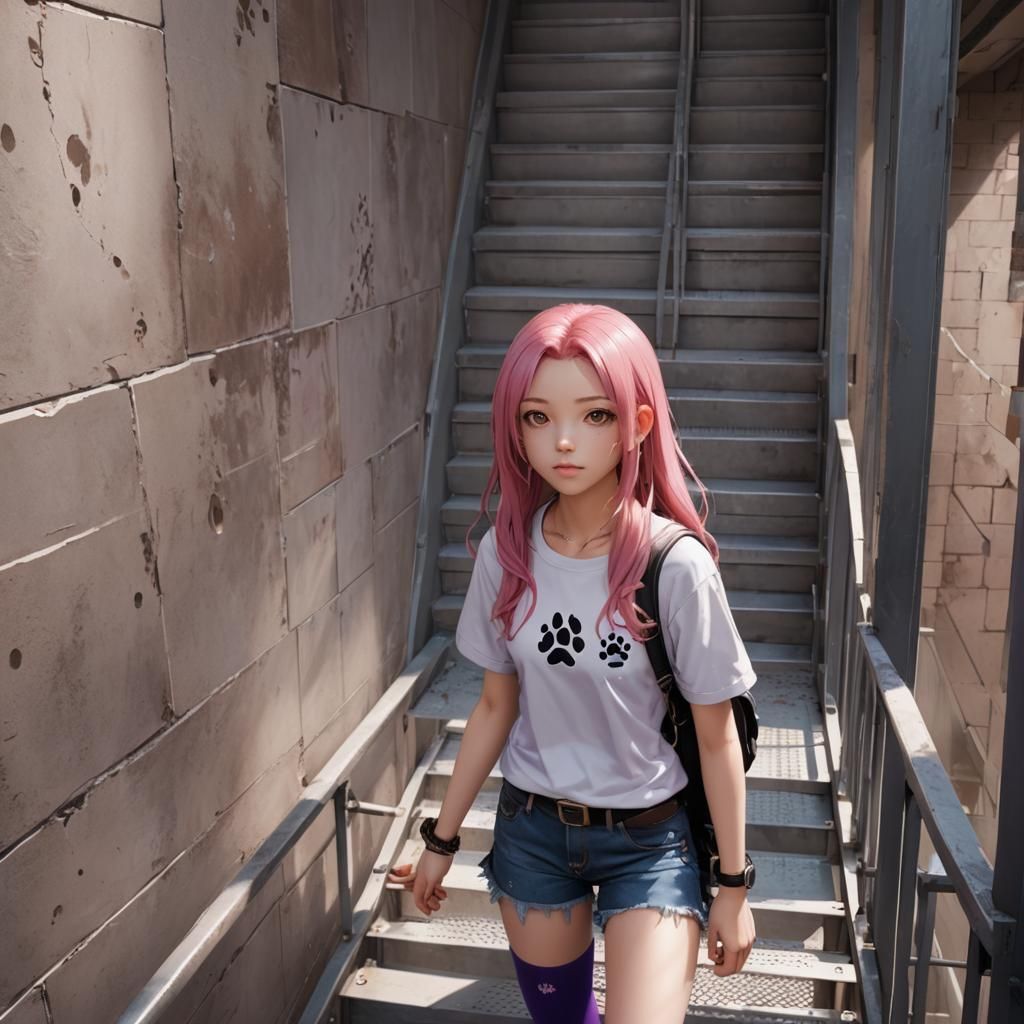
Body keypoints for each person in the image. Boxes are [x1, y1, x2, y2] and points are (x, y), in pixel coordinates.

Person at [387, 304, 757, 1023]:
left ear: (638, 424)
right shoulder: (508, 554)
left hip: (650, 840)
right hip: (534, 831)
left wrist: (735, 887)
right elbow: (496, 705)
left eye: (593, 416)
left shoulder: (676, 567)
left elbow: (716, 739)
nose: (561, 441)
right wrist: (440, 840)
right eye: (535, 417)